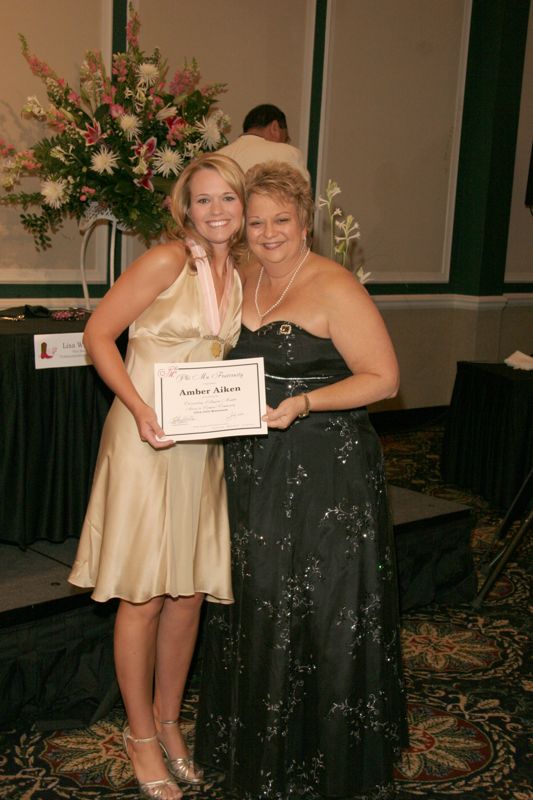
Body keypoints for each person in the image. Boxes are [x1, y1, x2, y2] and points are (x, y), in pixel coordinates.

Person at [195, 161, 408, 799]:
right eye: (255, 221)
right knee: (261, 602)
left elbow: (384, 378)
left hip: (327, 471)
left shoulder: (334, 283)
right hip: (255, 466)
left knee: (325, 606)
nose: (267, 232)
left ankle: (329, 754)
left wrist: (307, 403)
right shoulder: (242, 277)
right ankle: (267, 751)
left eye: (280, 219)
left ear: (304, 218)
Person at [68, 152, 246, 800]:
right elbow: (98, 333)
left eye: (228, 198)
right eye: (203, 199)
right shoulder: (168, 260)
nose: (216, 210)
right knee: (142, 594)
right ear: (184, 206)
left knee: (189, 592)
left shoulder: (243, 271)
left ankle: (170, 721)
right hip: (146, 440)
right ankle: (139, 733)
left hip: (199, 444)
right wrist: (140, 410)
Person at [218, 103, 310, 179]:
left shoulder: (216, 157)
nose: (285, 144)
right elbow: (302, 197)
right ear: (275, 128)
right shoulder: (288, 153)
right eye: (285, 139)